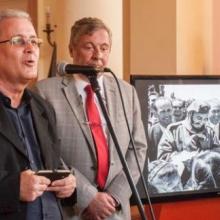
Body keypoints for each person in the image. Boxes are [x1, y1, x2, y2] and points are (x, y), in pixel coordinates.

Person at [34, 17, 147, 220]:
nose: (98, 56)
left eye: (104, 48)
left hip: (115, 210)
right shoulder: (45, 92)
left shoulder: (126, 92)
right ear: (71, 49)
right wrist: (89, 198)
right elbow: (46, 152)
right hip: (70, 210)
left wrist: (114, 197)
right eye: (89, 47)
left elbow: (138, 148)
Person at [0, 9, 76, 220]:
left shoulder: (42, 107)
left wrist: (67, 183)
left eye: (34, 41)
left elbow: (54, 165)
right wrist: (12, 189)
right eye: (19, 41)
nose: (31, 48)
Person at [148, 96, 173, 161]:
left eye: (169, 110)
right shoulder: (151, 132)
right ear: (156, 113)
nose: (167, 114)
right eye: (163, 112)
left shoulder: (179, 129)